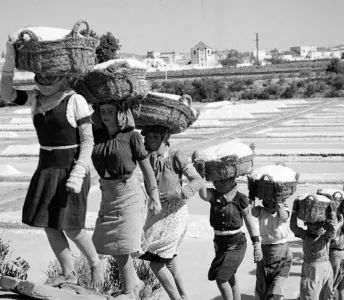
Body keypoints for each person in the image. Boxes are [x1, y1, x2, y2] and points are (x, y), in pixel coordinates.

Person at [0, 38, 104, 288]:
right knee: (49, 225)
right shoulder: (35, 98)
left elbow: (87, 141)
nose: (45, 80)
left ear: (62, 75)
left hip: (71, 169)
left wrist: (79, 171)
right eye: (41, 75)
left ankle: (95, 265)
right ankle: (69, 273)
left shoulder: (75, 100)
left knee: (73, 227)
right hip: (46, 168)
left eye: (50, 76)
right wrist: (10, 60)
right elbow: (5, 92)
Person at [90, 101, 162, 300]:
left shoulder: (132, 136)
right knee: (107, 242)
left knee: (122, 244)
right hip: (107, 193)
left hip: (127, 192)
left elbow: (147, 169)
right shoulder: (97, 135)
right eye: (102, 111)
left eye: (110, 111)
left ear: (120, 113)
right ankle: (136, 283)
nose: (105, 115)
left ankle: (129, 291)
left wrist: (154, 196)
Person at [139, 125, 205, 300]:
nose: (151, 139)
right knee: (169, 261)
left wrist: (177, 194)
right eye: (148, 136)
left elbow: (198, 181)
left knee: (156, 263)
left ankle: (176, 299)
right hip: (156, 215)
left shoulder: (176, 156)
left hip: (174, 215)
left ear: (166, 136)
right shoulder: (149, 157)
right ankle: (184, 296)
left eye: (155, 136)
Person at [196, 162, 262, 300]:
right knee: (230, 278)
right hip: (220, 245)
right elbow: (202, 194)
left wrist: (256, 245)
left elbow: (250, 222)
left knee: (221, 278)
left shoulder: (240, 199)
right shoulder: (214, 196)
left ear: (230, 179)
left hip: (237, 245)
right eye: (215, 180)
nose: (216, 183)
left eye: (219, 180)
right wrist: (201, 174)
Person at [290, 197, 342, 300]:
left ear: (322, 224)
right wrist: (294, 211)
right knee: (309, 296)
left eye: (316, 224)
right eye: (310, 224)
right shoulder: (305, 235)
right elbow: (293, 227)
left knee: (326, 296)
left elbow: (333, 230)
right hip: (309, 270)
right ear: (306, 224)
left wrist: (332, 215)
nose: (313, 227)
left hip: (324, 270)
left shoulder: (325, 236)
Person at [251, 198, 293, 300]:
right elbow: (251, 211)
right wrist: (251, 196)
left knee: (277, 289)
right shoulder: (261, 211)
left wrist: (279, 201)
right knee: (262, 288)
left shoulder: (285, 209)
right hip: (264, 252)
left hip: (282, 253)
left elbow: (283, 215)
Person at [328, 192, 344, 300]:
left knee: (333, 288)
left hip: (334, 255)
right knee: (341, 288)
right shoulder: (342, 218)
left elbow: (333, 235)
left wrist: (340, 220)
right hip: (343, 255)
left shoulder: (332, 221)